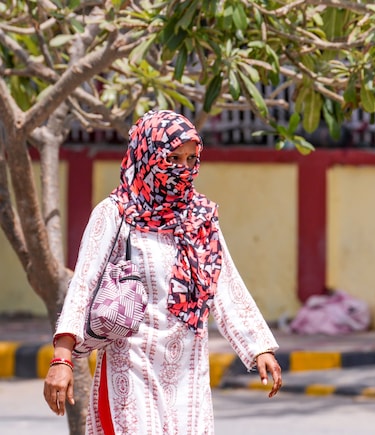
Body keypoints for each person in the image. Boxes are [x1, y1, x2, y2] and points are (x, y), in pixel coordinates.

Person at [43, 110, 283, 434]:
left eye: (190, 159)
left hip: (188, 372)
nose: (182, 169)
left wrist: (258, 348)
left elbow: (224, 283)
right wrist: (62, 359)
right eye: (172, 158)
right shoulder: (116, 214)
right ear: (148, 155)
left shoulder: (198, 218)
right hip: (130, 366)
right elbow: (83, 284)